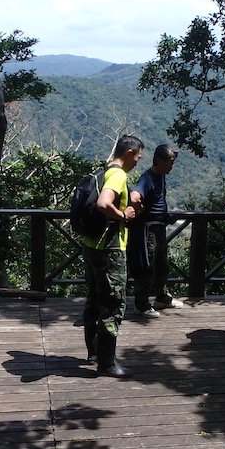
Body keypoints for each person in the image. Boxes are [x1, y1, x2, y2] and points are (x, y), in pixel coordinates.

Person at [80, 134, 144, 378]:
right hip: (110, 248)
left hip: (91, 245)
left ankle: (94, 352)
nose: (138, 161)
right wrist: (124, 215)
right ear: (129, 152)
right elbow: (104, 203)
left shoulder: (104, 170)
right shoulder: (118, 175)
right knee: (113, 303)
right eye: (138, 156)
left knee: (94, 299)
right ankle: (107, 363)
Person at [128, 144, 182, 318]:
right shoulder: (147, 178)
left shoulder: (160, 176)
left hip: (159, 228)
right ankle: (141, 305)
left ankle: (161, 297)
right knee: (148, 268)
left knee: (162, 266)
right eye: (170, 162)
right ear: (159, 161)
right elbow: (133, 196)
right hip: (148, 231)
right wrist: (141, 208)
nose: (172, 166)